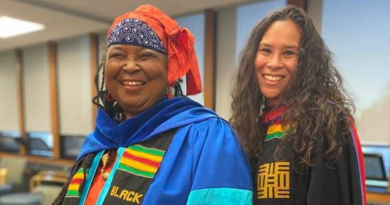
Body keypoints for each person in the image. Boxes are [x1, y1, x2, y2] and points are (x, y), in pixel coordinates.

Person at [54, 5, 252, 205]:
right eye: (118, 55)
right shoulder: (98, 144)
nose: (130, 66)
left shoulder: (206, 139)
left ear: (170, 71)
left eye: (145, 56)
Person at [230, 5, 366, 205]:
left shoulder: (326, 123)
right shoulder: (249, 128)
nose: (274, 63)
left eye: (288, 53)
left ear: (306, 62)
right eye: (266, 50)